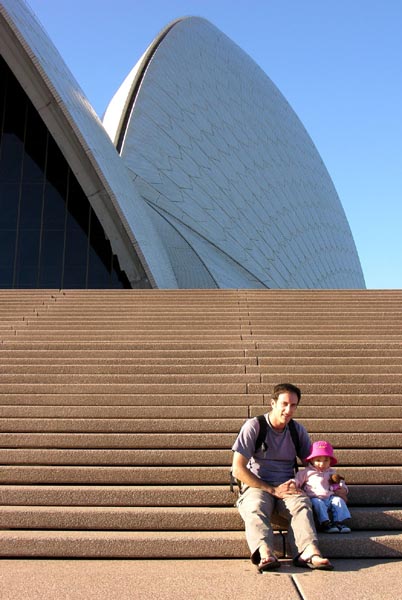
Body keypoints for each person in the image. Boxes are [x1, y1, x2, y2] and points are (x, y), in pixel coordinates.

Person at [231, 382, 334, 572]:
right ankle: (264, 552)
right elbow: (237, 469)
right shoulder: (254, 426)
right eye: (284, 404)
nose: (288, 410)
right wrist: (271, 489)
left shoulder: (297, 430)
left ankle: (308, 551)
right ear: (273, 403)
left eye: (293, 405)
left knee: (302, 504)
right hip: (258, 484)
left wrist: (333, 486)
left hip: (287, 484)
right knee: (255, 506)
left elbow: (313, 464)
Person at [294, 440, 351, 533]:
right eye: (318, 460)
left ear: (330, 461)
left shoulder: (332, 473)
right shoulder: (306, 472)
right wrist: (294, 485)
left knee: (338, 501)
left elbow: (340, 483)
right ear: (312, 460)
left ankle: (339, 522)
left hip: (330, 497)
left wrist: (343, 489)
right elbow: (297, 481)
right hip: (314, 497)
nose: (322, 464)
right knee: (318, 503)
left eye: (326, 460)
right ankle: (325, 523)